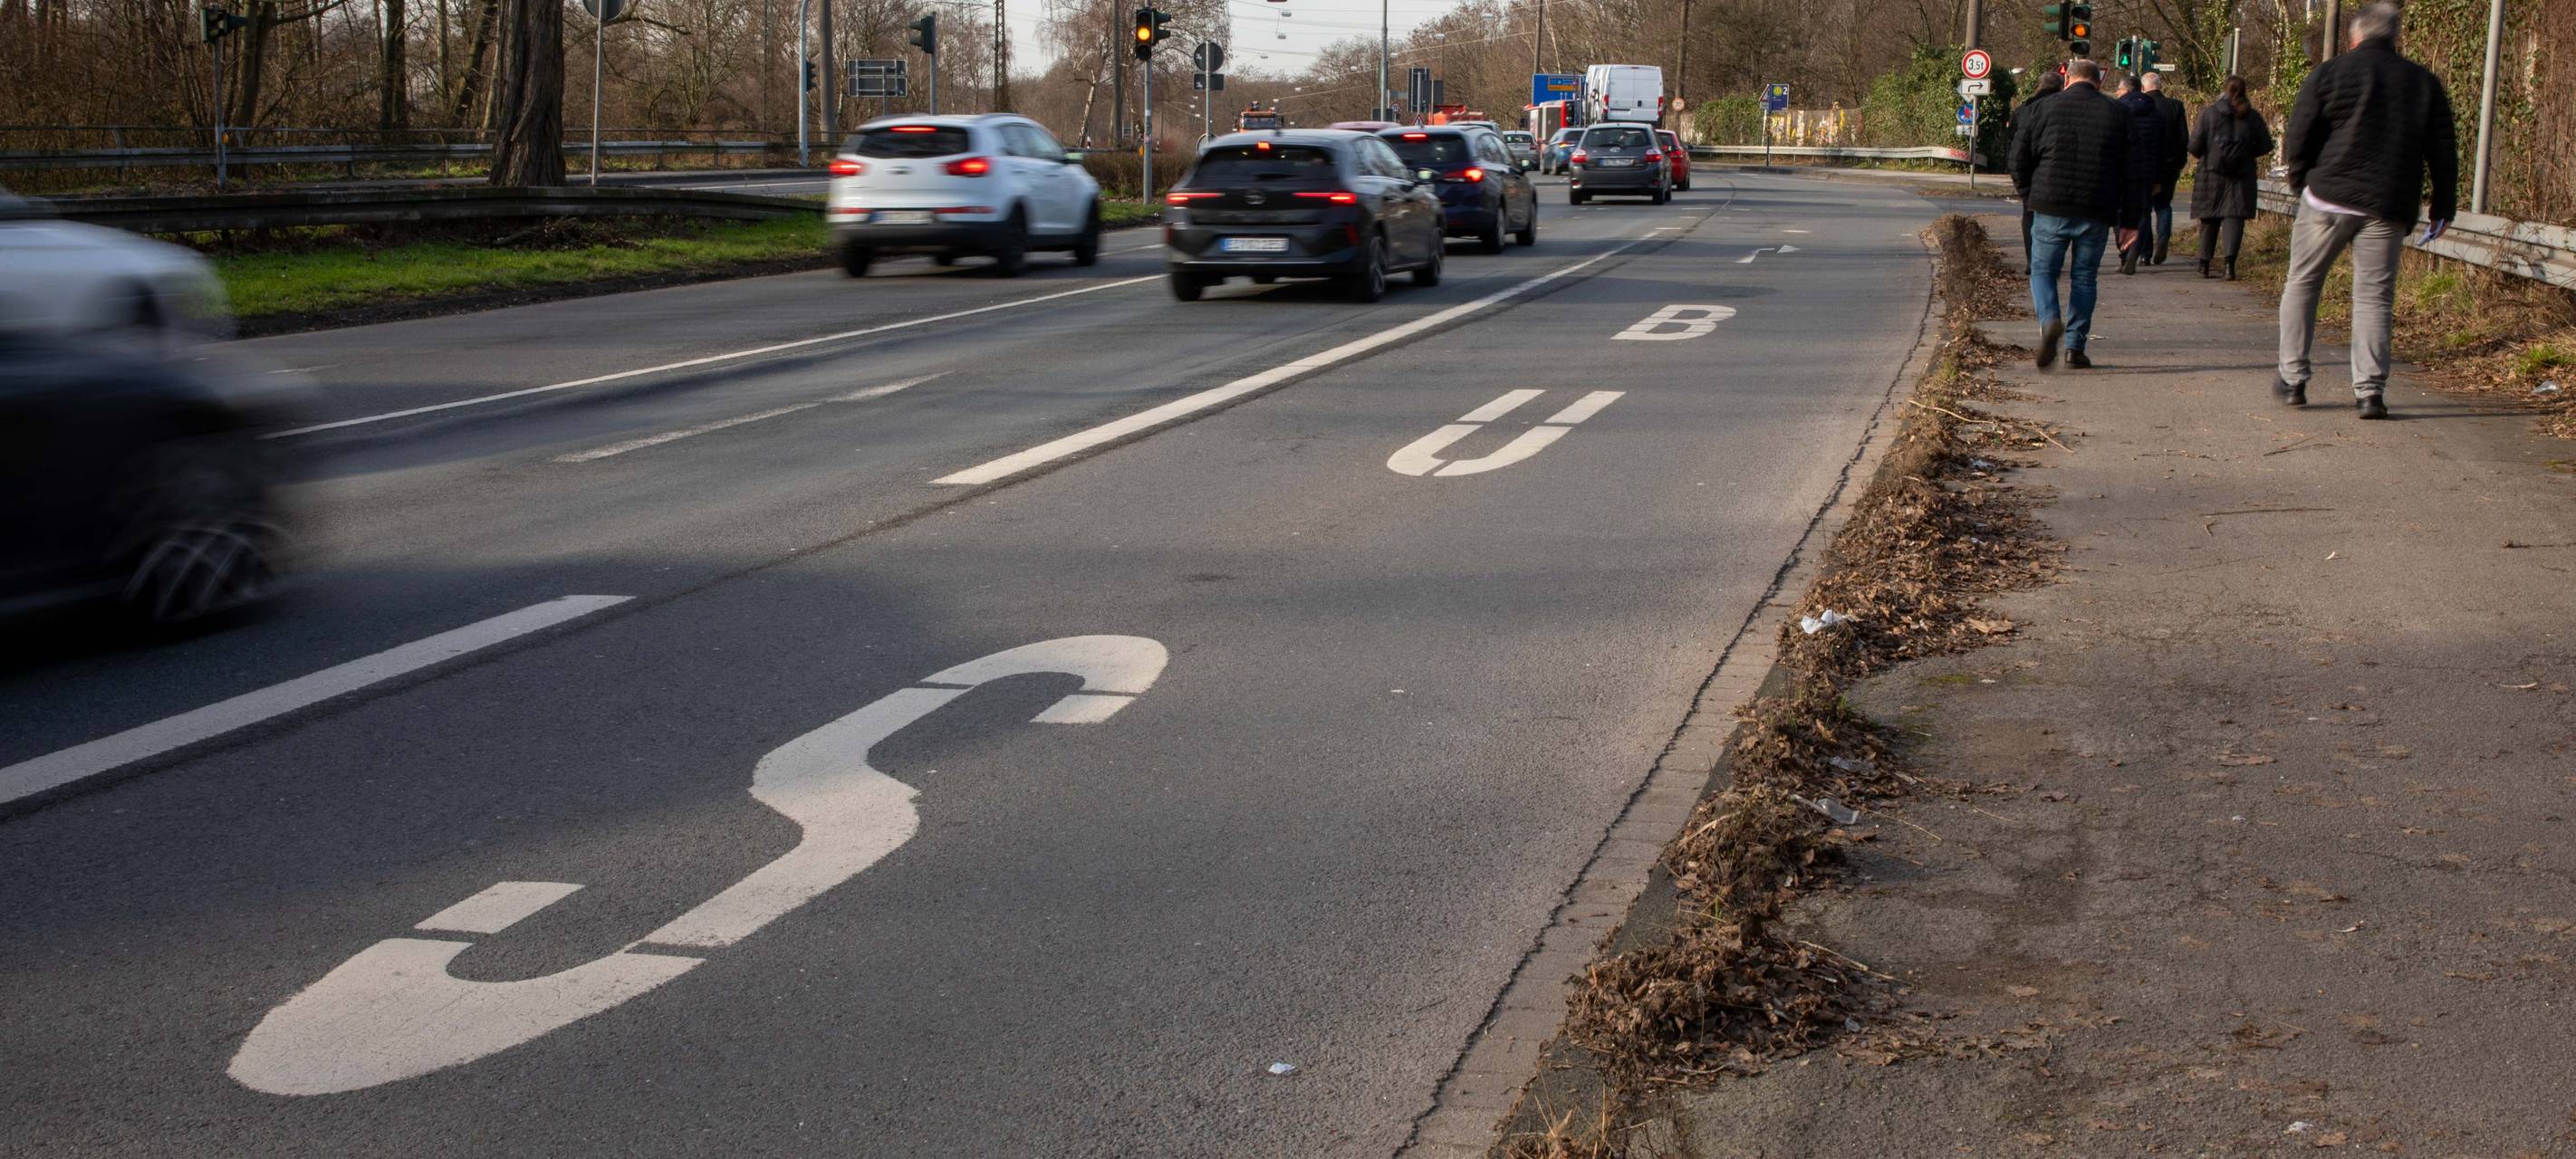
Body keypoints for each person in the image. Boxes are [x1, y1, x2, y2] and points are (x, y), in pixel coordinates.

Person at [2276, 0, 2458, 418]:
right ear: (2395, 38)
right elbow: (2443, 151)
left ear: (2354, 36)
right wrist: (2443, 205)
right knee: (2374, 297)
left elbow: (2301, 131)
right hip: (2387, 202)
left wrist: (2300, 181)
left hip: (2328, 197)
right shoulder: (2422, 83)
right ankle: (2370, 392)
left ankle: (2293, 379)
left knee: (2303, 283)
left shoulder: (2329, 73)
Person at [2009, 58, 2139, 370]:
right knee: (2084, 277)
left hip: (2050, 204)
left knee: (2043, 272)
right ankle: (2075, 347)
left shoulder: (2043, 108)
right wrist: (2130, 222)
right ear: (2100, 83)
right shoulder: (2119, 114)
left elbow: (2018, 158)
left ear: (2067, 79)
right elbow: (2135, 172)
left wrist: (2030, 195)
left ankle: (2049, 321)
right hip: (2097, 208)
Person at [2187, 75, 2273, 281]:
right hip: (2241, 176)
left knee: (2209, 218)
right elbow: (2265, 146)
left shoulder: (2210, 114)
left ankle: (2204, 264)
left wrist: (2207, 157)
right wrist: (2246, 155)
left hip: (2211, 173)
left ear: (2225, 90)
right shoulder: (2252, 117)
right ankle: (2229, 266)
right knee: (2234, 218)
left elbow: (2194, 145)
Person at [2007, 70, 2066, 273]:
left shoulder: (2023, 110)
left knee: (2030, 216)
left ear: (2038, 85)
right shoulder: (2062, 108)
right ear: (2060, 87)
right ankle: (2051, 261)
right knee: (2057, 218)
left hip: (2029, 173)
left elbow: (2011, 145)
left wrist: (2019, 180)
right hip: (2056, 171)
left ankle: (2033, 260)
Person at [2113, 73, 2165, 276]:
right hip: (2147, 170)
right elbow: (2162, 150)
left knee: (2119, 211)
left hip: (2121, 168)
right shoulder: (2157, 114)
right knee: (2143, 212)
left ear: (2125, 90)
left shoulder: (2116, 110)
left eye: (2118, 90)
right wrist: (2159, 177)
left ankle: (2124, 253)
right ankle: (2136, 249)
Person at [2141, 72, 2191, 263]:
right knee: (2163, 205)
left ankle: (2145, 253)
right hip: (2169, 165)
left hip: (2146, 164)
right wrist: (2180, 161)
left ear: (2144, 88)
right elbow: (2183, 137)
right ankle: (2163, 239)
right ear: (2160, 86)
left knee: (2144, 209)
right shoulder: (2175, 106)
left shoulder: (2141, 106)